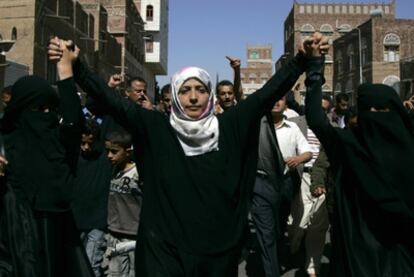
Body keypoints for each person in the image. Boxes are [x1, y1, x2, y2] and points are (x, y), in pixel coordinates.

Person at [47, 33, 328, 277]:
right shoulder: (156, 127)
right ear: (177, 96)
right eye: (185, 90)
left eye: (200, 90)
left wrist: (301, 60)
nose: (193, 97)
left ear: (210, 96)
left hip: (217, 250)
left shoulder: (229, 125)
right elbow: (113, 102)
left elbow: (266, 95)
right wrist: (77, 65)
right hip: (164, 250)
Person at [304, 33, 414, 277]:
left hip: (402, 257)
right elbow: (315, 118)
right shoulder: (348, 146)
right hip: (357, 257)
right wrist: (315, 66)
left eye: (382, 110)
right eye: (369, 110)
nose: (375, 116)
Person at [0, 39, 93, 276]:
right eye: (38, 109)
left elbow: (73, 122)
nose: (47, 116)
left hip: (56, 236)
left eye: (49, 109)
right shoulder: (5, 140)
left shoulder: (58, 145)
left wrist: (65, 70)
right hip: (13, 236)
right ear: (20, 110)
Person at [72, 118, 112, 277]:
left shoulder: (106, 157)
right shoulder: (73, 157)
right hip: (77, 219)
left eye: (90, 143)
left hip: (98, 220)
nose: (86, 147)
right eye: (83, 143)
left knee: (91, 264)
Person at [102, 130, 142, 277]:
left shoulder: (138, 173)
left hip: (134, 235)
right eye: (107, 151)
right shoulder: (113, 170)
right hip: (114, 232)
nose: (109, 155)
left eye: (114, 151)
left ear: (127, 151)